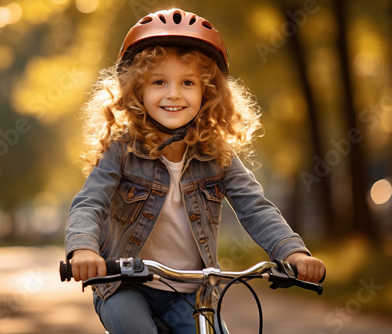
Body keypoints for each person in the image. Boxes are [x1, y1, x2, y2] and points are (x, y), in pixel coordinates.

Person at [65, 8, 325, 333]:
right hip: (124, 286)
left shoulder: (217, 155)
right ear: (136, 91)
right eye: (159, 81)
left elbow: (256, 209)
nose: (173, 93)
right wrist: (84, 248)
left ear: (209, 92)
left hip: (191, 294)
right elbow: (90, 203)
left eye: (188, 82)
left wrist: (293, 252)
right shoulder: (122, 150)